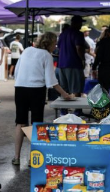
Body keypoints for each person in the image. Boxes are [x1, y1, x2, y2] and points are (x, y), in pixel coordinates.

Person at [11, 32, 76, 164]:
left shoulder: (27, 50)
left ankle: (16, 157)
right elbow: (51, 81)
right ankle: (32, 158)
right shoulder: (47, 55)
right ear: (50, 43)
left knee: (20, 122)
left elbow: (17, 71)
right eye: (55, 43)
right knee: (36, 124)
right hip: (36, 90)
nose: (56, 46)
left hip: (20, 88)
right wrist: (65, 94)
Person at [56, 16, 87, 97]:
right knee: (76, 89)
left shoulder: (62, 34)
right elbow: (79, 48)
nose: (81, 25)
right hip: (74, 64)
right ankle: (77, 109)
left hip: (61, 64)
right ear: (76, 23)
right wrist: (83, 60)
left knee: (64, 89)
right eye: (80, 23)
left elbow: (59, 47)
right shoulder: (78, 33)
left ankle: (63, 109)